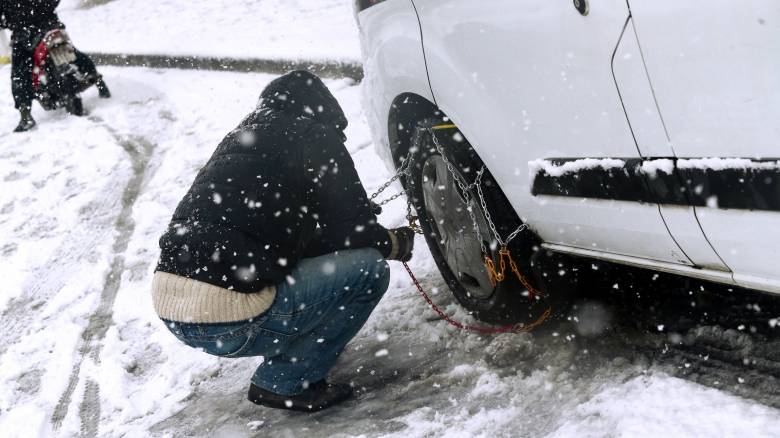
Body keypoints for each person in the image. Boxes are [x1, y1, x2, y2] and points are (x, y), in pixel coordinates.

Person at [153, 70, 416, 412]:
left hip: (173, 310)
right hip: (230, 317)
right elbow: (355, 232)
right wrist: (395, 242)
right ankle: (287, 380)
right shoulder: (316, 135)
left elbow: (268, 230)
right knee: (369, 270)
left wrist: (326, 216)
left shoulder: (240, 137)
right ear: (324, 111)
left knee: (311, 269)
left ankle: (293, 350)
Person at [0, 0, 110, 132]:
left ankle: (26, 115)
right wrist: (43, 9)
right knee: (73, 53)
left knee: (19, 74)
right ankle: (99, 82)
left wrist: (10, 20)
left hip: (24, 34)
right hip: (49, 25)